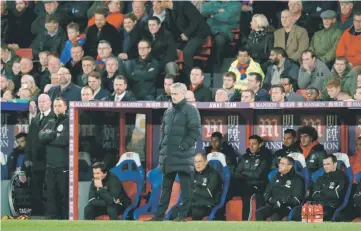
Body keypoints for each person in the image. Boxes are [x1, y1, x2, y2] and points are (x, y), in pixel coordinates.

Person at [149, 83, 201, 221]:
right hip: (168, 157)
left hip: (183, 157)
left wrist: (182, 147)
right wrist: (162, 147)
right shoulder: (168, 111)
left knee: (186, 190)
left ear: (183, 94)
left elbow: (195, 132)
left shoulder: (191, 110)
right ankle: (159, 216)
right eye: (171, 94)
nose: (173, 96)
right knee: (165, 190)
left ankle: (182, 216)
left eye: (176, 94)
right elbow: (163, 133)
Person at [24, 94, 56, 215]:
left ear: (50, 103)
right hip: (36, 162)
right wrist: (28, 159)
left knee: (49, 189)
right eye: (40, 102)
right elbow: (30, 141)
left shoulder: (54, 118)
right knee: (36, 188)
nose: (41, 104)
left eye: (44, 101)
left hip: (48, 160)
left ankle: (50, 213)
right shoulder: (35, 119)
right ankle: (37, 213)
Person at [39, 97, 69, 219]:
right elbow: (41, 136)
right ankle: (51, 218)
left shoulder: (68, 121)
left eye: (59, 105)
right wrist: (53, 135)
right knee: (49, 193)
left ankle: (65, 218)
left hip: (62, 164)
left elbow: (64, 140)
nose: (57, 108)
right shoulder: (50, 120)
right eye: (55, 106)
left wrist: (48, 139)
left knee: (63, 193)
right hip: (49, 164)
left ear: (65, 107)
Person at [293, 154, 348, 221]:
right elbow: (314, 194)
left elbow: (337, 195)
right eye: (324, 164)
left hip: (331, 207)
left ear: (335, 164)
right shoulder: (320, 178)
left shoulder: (342, 177)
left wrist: (322, 192)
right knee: (297, 213)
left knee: (315, 215)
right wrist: (327, 192)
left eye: (328, 164)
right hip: (317, 205)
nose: (325, 167)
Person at [234, 135, 272, 220]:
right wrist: (248, 174)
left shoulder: (265, 157)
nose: (251, 146)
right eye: (250, 143)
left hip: (259, 185)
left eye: (254, 144)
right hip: (245, 184)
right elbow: (236, 172)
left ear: (260, 144)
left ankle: (248, 221)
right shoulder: (245, 157)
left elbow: (258, 175)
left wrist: (244, 172)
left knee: (248, 195)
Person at [256, 156, 304, 221]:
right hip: (273, 205)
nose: (279, 165)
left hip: (286, 207)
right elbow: (266, 194)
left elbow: (296, 199)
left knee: (275, 216)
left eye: (282, 164)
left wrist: (283, 201)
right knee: (259, 213)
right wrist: (273, 201)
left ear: (290, 166)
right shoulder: (275, 177)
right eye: (279, 163)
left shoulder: (297, 180)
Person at [204, 132, 238, 197]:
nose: (213, 143)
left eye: (216, 141)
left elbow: (231, 169)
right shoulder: (207, 152)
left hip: (222, 182)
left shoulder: (228, 152)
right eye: (212, 141)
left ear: (221, 141)